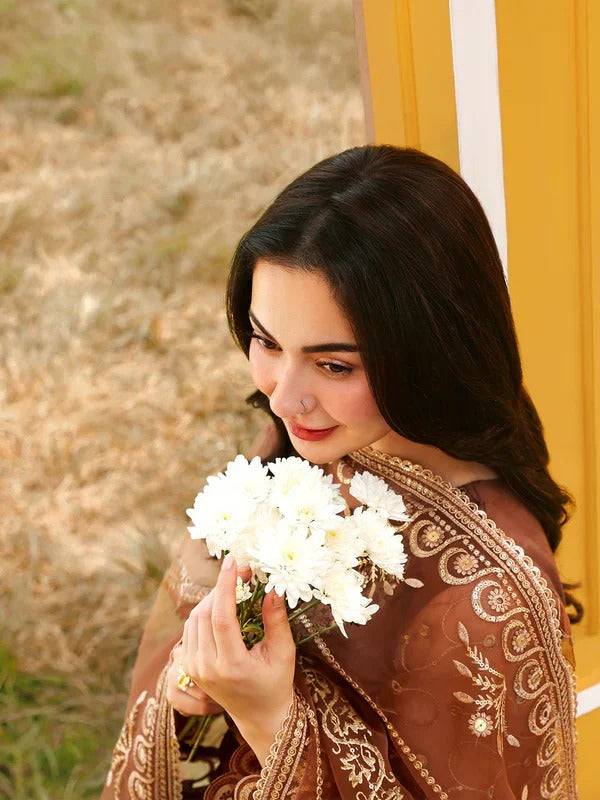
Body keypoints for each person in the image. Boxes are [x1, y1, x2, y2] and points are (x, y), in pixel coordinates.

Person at [101, 145, 582, 800]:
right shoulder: (315, 441)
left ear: (428, 352)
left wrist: (269, 716)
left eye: (334, 365)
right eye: (266, 341)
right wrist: (202, 679)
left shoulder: (488, 603)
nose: (283, 396)